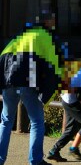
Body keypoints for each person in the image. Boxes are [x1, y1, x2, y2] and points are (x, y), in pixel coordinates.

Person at [0, 20, 63, 165]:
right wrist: (46, 95)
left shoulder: (17, 38)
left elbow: (2, 61)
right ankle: (35, 161)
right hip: (28, 84)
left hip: (8, 83)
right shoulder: (44, 37)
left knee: (6, 121)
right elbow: (54, 68)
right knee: (37, 121)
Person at [47, 62, 81, 162]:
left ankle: (54, 151)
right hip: (71, 100)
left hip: (67, 98)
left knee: (70, 129)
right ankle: (73, 149)